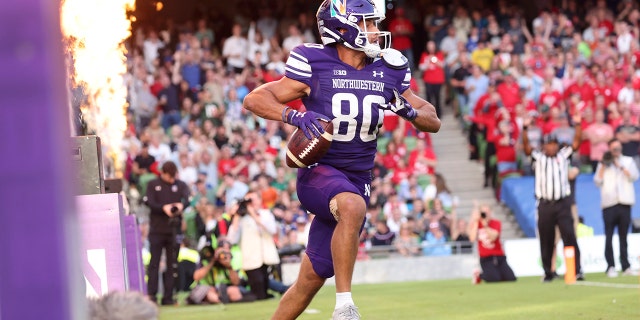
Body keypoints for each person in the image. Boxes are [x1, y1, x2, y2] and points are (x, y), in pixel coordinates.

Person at [243, 1, 440, 319]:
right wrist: (293, 115)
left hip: (358, 179)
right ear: (343, 26)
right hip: (319, 172)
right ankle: (345, 306)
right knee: (352, 206)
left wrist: (412, 113)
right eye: (368, 23)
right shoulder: (314, 62)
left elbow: (434, 119)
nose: (376, 31)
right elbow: (254, 98)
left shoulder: (388, 69)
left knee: (310, 279)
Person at [522, 114, 585, 282]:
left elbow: (577, 143)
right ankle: (548, 272)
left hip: (562, 203)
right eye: (549, 144)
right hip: (545, 204)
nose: (552, 148)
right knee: (546, 239)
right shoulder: (538, 157)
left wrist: (577, 124)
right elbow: (526, 148)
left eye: (554, 144)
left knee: (569, 236)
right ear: (544, 146)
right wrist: (525, 128)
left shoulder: (563, 156)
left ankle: (576, 270)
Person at [143, 161, 191, 304]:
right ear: (162, 173)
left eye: (173, 177)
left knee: (172, 264)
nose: (172, 180)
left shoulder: (181, 185)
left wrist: (181, 205)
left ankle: (168, 296)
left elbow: (187, 200)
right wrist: (164, 208)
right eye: (169, 177)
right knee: (154, 263)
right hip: (157, 230)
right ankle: (152, 294)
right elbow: (149, 202)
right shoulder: (153, 184)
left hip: (173, 230)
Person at [594, 138, 639, 277]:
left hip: (624, 202)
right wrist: (603, 165)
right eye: (614, 149)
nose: (617, 151)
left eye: (619, 149)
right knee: (609, 236)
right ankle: (610, 266)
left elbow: (634, 177)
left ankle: (626, 266)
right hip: (609, 204)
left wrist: (619, 165)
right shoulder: (604, 163)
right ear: (609, 150)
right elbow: (597, 181)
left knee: (623, 236)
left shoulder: (628, 161)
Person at [227, 192, 281, 300]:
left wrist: (254, 215)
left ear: (260, 200)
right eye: (249, 201)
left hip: (265, 256)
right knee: (257, 284)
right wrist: (237, 216)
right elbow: (231, 239)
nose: (252, 203)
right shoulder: (242, 218)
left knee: (264, 282)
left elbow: (272, 229)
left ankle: (265, 296)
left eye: (254, 199)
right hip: (250, 257)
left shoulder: (265, 214)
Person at [187, 240, 256, 304]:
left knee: (233, 291)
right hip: (209, 288)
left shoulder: (231, 260)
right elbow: (196, 277)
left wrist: (229, 266)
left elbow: (236, 282)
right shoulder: (205, 261)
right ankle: (221, 300)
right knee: (210, 292)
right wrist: (212, 261)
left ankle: (230, 299)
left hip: (225, 287)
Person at [467, 203, 516, 283]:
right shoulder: (477, 224)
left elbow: (494, 237)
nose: (485, 214)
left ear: (491, 212)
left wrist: (485, 226)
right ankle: (479, 275)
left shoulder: (496, 223)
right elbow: (472, 239)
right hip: (486, 258)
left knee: (511, 278)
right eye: (483, 212)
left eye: (487, 212)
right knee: (494, 279)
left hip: (499, 256)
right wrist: (476, 221)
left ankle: (495, 273)